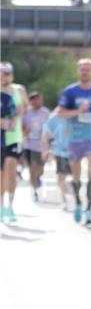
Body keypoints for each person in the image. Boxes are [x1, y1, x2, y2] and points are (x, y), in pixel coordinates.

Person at [57, 59, 91, 225]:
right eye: (82, 70)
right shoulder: (70, 91)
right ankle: (78, 203)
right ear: (78, 71)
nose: (85, 72)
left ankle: (89, 208)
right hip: (75, 138)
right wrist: (78, 111)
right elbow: (60, 113)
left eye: (88, 70)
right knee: (76, 176)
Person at [0, 62, 29, 223]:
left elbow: (26, 108)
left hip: (14, 137)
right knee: (1, 174)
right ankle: (1, 206)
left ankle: (10, 207)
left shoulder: (19, 90)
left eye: (8, 73)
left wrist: (20, 111)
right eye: (2, 73)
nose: (5, 76)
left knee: (11, 170)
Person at [22, 91, 50, 202]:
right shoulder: (26, 113)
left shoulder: (46, 112)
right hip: (29, 145)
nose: (37, 101)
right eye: (35, 99)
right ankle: (34, 191)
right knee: (32, 169)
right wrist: (25, 131)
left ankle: (38, 178)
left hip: (43, 147)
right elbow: (21, 127)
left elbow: (51, 127)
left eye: (39, 99)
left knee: (40, 170)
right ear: (31, 101)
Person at [42, 108, 71, 209]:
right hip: (60, 151)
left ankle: (69, 193)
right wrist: (46, 149)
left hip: (75, 151)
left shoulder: (77, 113)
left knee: (73, 176)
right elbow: (46, 132)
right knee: (61, 176)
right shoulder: (54, 117)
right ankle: (64, 199)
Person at [1, 86, 18, 220]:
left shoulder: (6, 98)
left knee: (8, 174)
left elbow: (12, 122)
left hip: (7, 141)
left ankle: (8, 207)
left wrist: (7, 122)